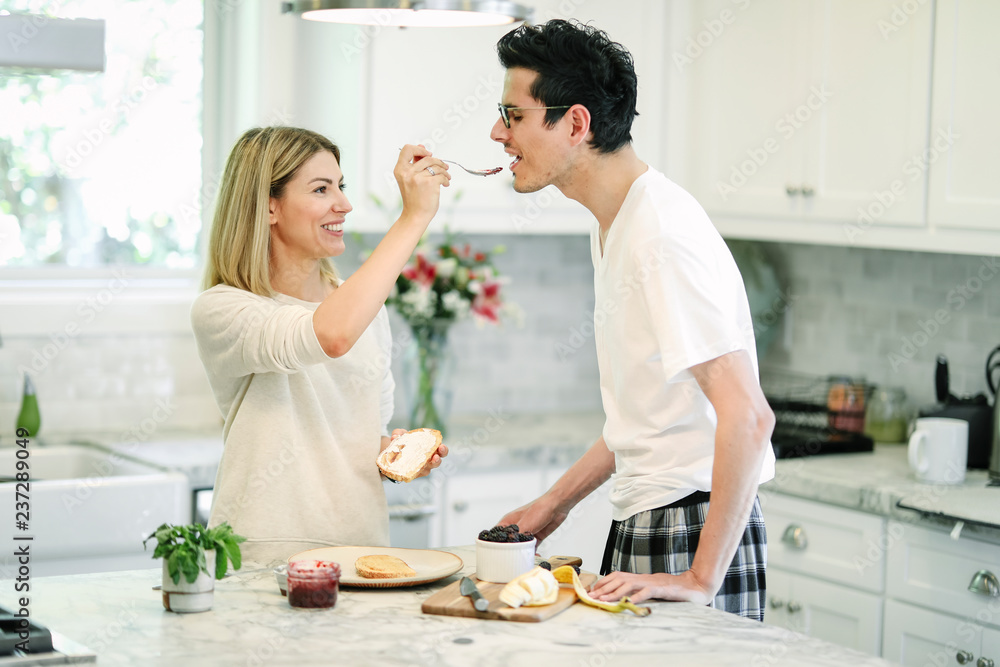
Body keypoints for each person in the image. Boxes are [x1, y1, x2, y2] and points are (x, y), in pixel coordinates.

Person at [491, 20, 777, 621]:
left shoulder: (661, 236)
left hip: (688, 524)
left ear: (573, 124)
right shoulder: (621, 222)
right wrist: (554, 503)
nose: (498, 134)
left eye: (512, 115)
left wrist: (700, 577)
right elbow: (648, 418)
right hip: (654, 516)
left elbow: (749, 416)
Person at [191, 126, 451, 563]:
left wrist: (396, 453)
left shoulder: (365, 308)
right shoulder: (224, 310)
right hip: (264, 562)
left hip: (362, 556)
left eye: (341, 186)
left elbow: (363, 434)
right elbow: (329, 335)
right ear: (270, 206)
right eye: (321, 188)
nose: (344, 204)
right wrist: (413, 217)